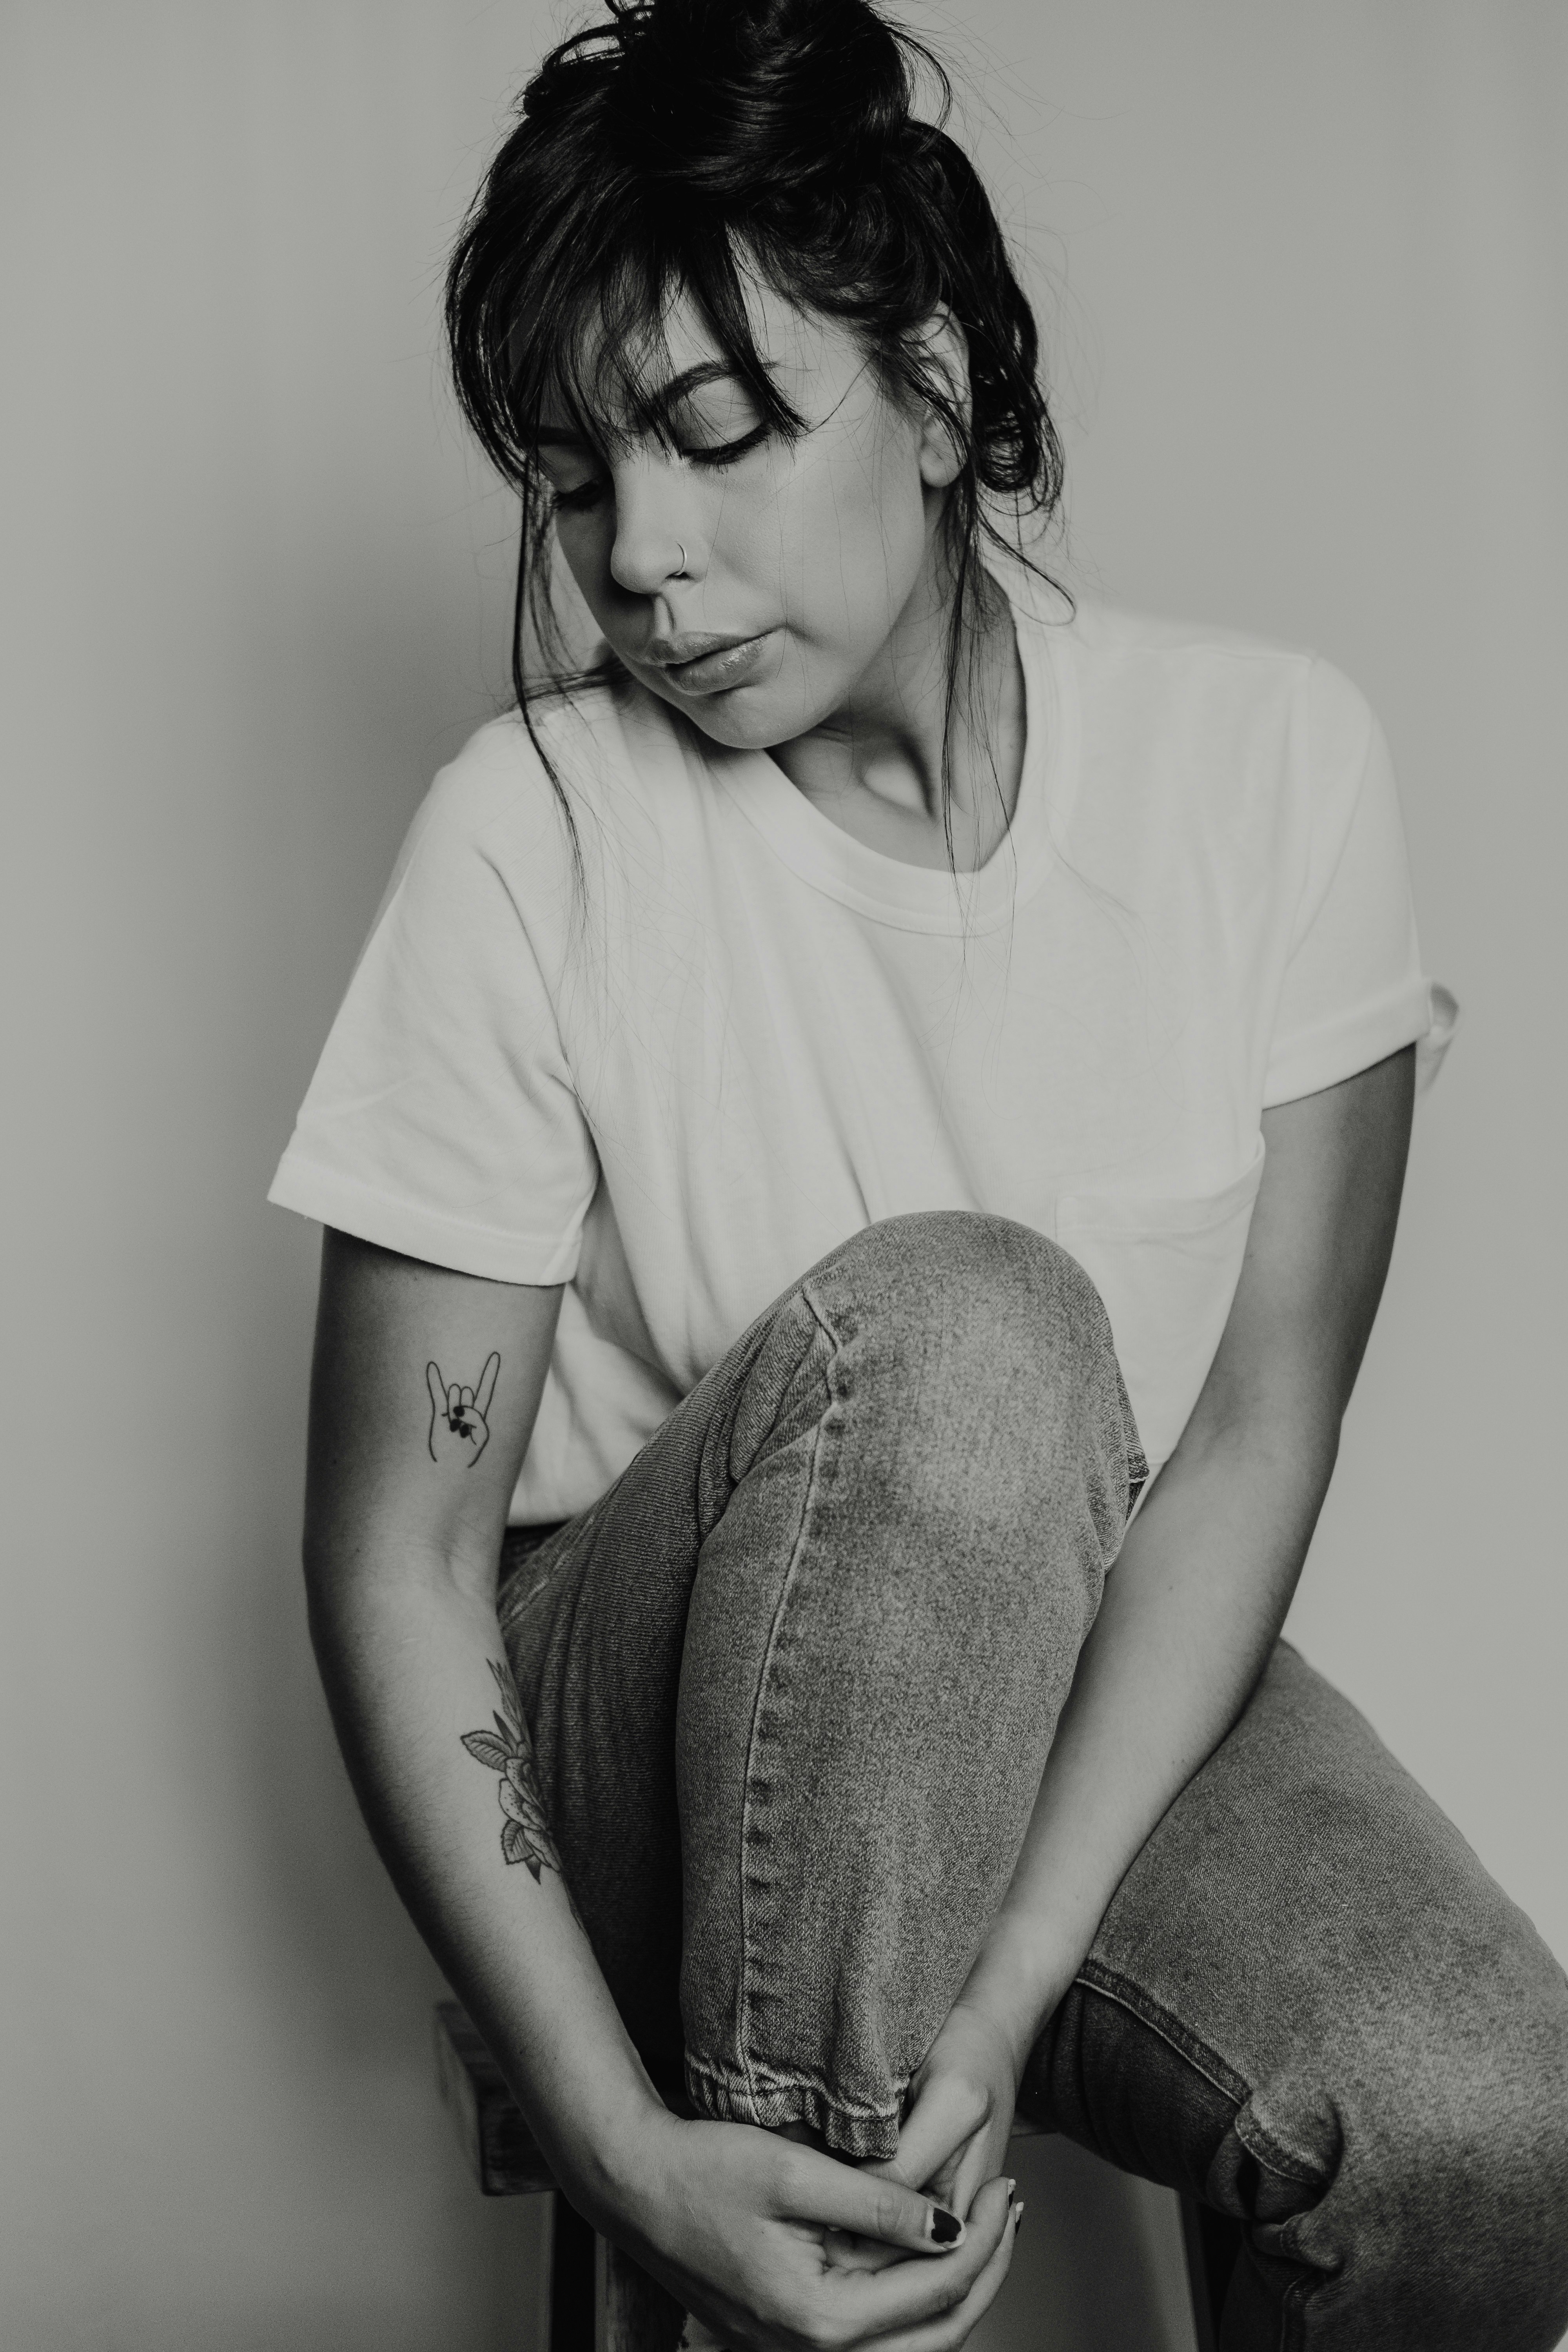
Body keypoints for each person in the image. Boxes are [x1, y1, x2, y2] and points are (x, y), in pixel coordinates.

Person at [267, 3, 1568, 2345]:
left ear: (941, 392)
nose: (641, 561)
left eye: (714, 435)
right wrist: (621, 2143)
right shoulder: (532, 829)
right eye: (579, 478)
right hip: (635, 1705)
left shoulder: (1270, 769)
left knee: (1478, 2120)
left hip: (1091, 1659)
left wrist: (1026, 1971)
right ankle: (798, 2263)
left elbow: (1258, 1432)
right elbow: (394, 1549)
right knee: (984, 1323)